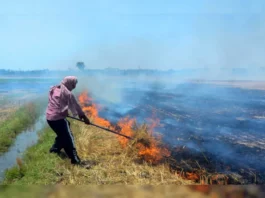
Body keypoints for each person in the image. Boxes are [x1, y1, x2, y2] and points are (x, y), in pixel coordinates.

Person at [46, 76, 90, 165]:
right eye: (74, 84)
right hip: (57, 119)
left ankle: (55, 149)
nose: (74, 86)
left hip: (49, 118)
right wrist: (84, 117)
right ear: (69, 83)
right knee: (69, 139)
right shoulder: (68, 93)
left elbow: (56, 103)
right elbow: (76, 106)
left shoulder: (55, 88)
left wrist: (63, 111)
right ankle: (75, 160)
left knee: (63, 134)